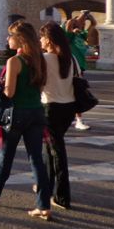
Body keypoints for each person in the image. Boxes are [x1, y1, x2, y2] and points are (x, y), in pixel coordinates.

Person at [0, 21, 52, 220]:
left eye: (10, 35)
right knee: (36, 159)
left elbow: (9, 92)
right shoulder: (40, 60)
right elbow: (40, 88)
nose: (7, 39)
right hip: (36, 113)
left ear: (20, 39)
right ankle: (44, 205)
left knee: (6, 157)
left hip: (17, 114)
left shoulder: (15, 61)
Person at [39, 21, 77, 211]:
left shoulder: (45, 59)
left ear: (49, 40)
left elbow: (37, 82)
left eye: (42, 37)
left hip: (51, 108)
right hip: (68, 108)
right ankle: (45, 187)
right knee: (49, 149)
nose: (40, 40)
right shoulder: (70, 59)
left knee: (56, 153)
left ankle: (62, 196)